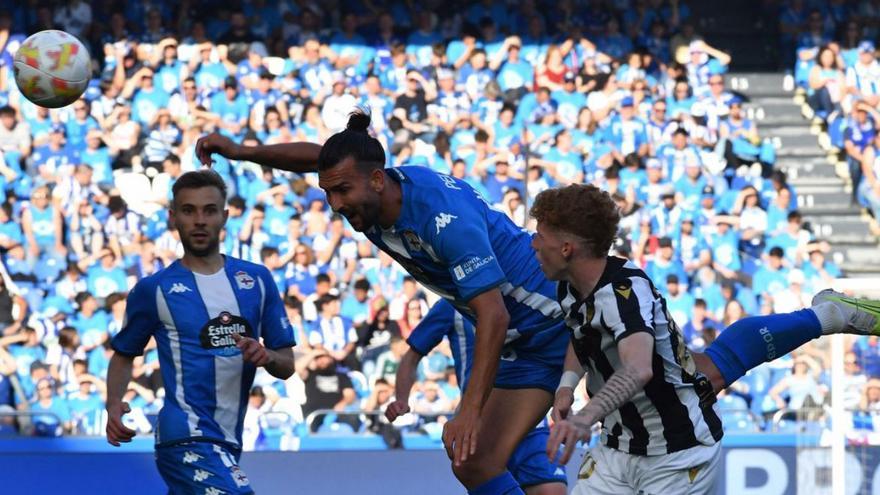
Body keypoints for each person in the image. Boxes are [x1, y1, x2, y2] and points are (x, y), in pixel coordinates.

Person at [197, 111, 568, 495]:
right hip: (522, 348)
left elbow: (495, 313)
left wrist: (469, 411)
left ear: (377, 180)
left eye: (341, 191)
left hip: (561, 323)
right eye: (328, 192)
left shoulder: (443, 219)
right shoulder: (370, 191)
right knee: (472, 462)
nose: (335, 204)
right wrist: (241, 152)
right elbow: (318, 159)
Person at [531, 184, 880, 495]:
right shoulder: (568, 286)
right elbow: (583, 336)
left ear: (566, 248)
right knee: (713, 365)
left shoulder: (624, 294)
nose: (532, 244)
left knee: (711, 368)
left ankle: (825, 318)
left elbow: (637, 369)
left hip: (676, 455)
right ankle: (824, 317)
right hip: (616, 449)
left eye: (539, 236)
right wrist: (566, 386)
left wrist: (582, 418)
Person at [105, 169, 296, 494]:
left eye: (208, 210)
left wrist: (266, 357)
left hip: (227, 440)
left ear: (224, 216)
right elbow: (124, 354)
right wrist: (113, 403)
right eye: (188, 210)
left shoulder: (257, 280)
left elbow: (287, 365)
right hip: (185, 437)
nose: (199, 220)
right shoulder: (154, 290)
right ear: (173, 217)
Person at [387, 299, 568, 495]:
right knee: (475, 471)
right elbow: (412, 356)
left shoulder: (521, 294)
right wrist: (401, 398)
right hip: (479, 421)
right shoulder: (451, 304)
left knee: (552, 491)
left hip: (527, 415)